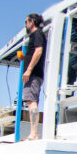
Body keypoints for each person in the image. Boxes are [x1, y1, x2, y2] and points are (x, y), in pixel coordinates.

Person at [21, 13, 46, 141]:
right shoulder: (36, 35)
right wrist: (24, 58)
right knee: (31, 101)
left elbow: (38, 51)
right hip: (34, 75)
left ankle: (33, 134)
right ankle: (33, 133)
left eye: (26, 22)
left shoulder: (37, 34)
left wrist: (29, 70)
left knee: (31, 102)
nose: (25, 25)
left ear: (32, 22)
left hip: (33, 75)